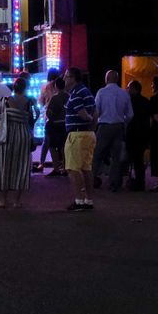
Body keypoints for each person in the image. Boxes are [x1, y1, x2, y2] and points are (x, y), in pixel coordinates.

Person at [0, 72, 35, 208]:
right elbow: (33, 118)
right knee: (21, 167)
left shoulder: (5, 100)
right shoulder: (29, 102)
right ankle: (17, 201)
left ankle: (2, 200)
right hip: (23, 136)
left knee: (4, 166)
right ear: (25, 88)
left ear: (13, 87)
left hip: (7, 136)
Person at [93, 69, 133, 192]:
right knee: (116, 157)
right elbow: (130, 114)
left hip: (104, 126)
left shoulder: (101, 92)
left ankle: (92, 179)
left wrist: (94, 125)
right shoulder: (124, 93)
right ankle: (114, 184)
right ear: (117, 79)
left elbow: (96, 111)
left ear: (107, 79)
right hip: (118, 127)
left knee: (97, 154)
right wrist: (123, 122)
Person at [63, 67, 96, 211]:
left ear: (73, 78)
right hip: (88, 134)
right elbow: (96, 111)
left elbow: (83, 113)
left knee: (73, 169)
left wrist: (87, 119)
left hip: (76, 134)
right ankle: (88, 200)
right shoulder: (86, 91)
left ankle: (79, 201)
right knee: (86, 168)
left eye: (67, 76)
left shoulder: (76, 93)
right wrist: (92, 125)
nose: (64, 79)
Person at [125, 79, 152, 192]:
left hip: (132, 134)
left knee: (132, 158)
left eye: (128, 87)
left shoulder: (129, 101)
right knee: (139, 160)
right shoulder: (146, 101)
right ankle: (140, 181)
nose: (127, 89)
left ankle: (133, 180)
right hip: (144, 134)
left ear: (133, 89)